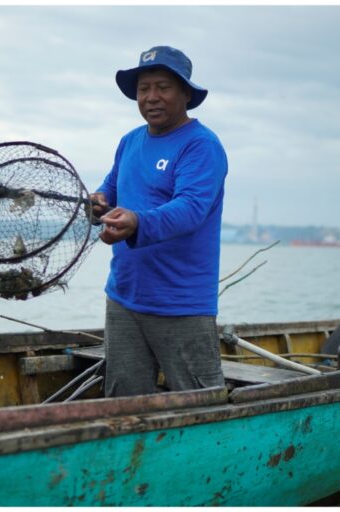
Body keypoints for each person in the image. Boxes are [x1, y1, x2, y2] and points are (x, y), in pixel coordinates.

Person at [89, 46, 228, 397]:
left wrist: (137, 221)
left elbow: (191, 208)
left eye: (163, 87)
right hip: (124, 297)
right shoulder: (130, 141)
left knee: (201, 406)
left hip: (181, 303)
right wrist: (98, 202)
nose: (151, 97)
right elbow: (111, 190)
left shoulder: (201, 145)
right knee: (124, 402)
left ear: (186, 93)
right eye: (143, 89)